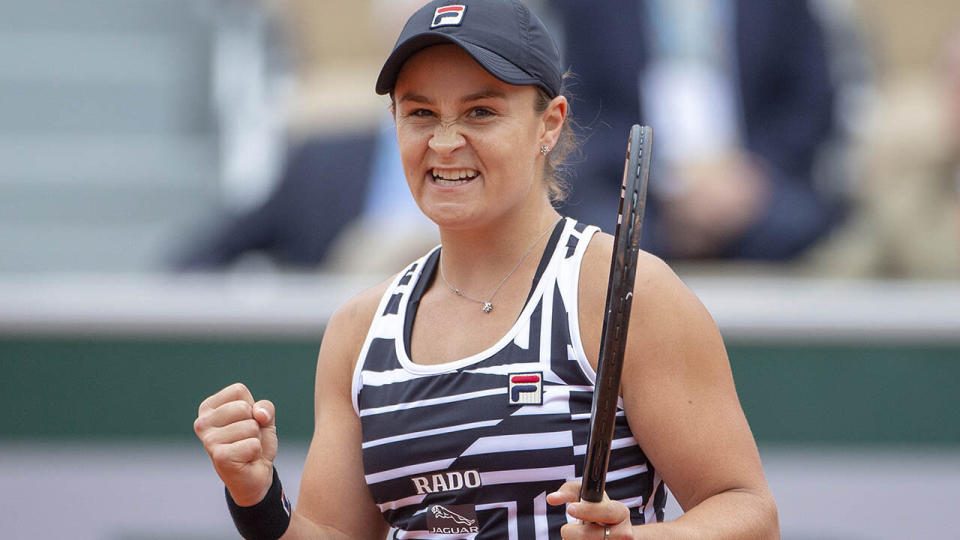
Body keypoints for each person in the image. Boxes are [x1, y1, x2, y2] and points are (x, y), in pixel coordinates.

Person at [192, 1, 778, 538]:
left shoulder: (620, 290)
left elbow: (748, 512)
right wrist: (257, 496)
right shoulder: (358, 330)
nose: (445, 142)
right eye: (421, 113)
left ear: (549, 124)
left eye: (480, 111)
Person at [552, 0, 842, 261]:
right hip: (634, 188)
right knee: (603, 236)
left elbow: (811, 101)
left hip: (752, 184)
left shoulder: (780, 8)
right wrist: (663, 183)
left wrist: (749, 176)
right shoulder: (590, 7)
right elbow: (581, 109)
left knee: (798, 223)